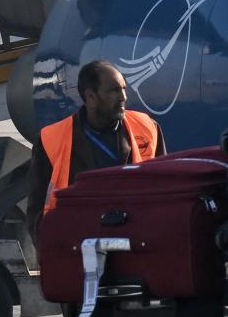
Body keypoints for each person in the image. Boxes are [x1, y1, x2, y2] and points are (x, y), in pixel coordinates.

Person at [26, 59, 162, 237]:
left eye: (123, 88)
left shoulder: (147, 128)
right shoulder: (51, 139)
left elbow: (165, 190)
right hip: (80, 245)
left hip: (136, 241)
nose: (123, 97)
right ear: (90, 97)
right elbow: (37, 210)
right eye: (113, 91)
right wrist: (52, 256)